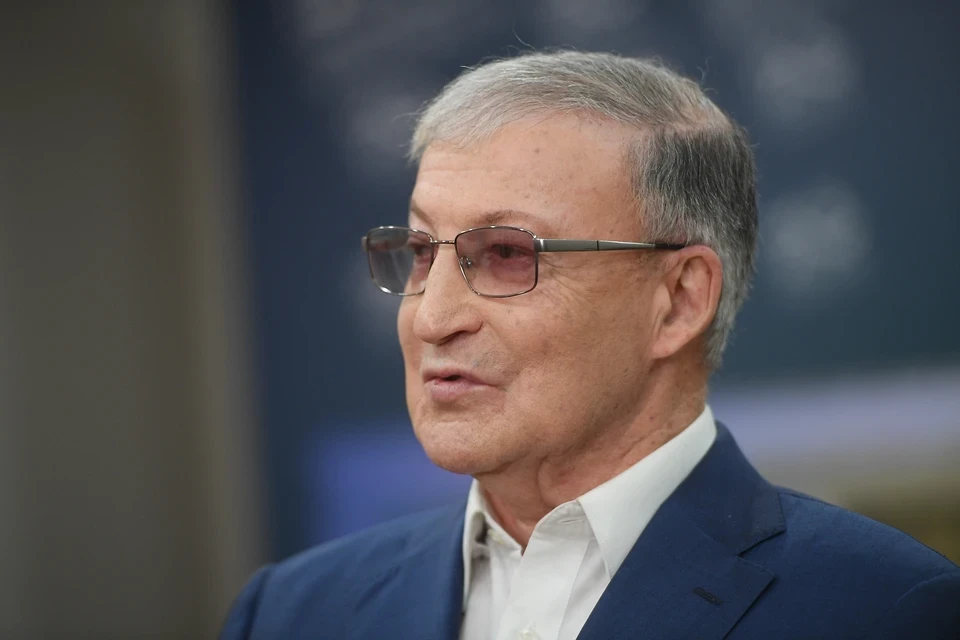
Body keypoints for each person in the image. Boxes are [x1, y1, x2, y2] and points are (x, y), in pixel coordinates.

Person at [221, 51, 960, 639]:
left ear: (679, 300)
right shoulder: (290, 613)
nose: (430, 318)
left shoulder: (885, 611)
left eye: (507, 254)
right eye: (419, 252)